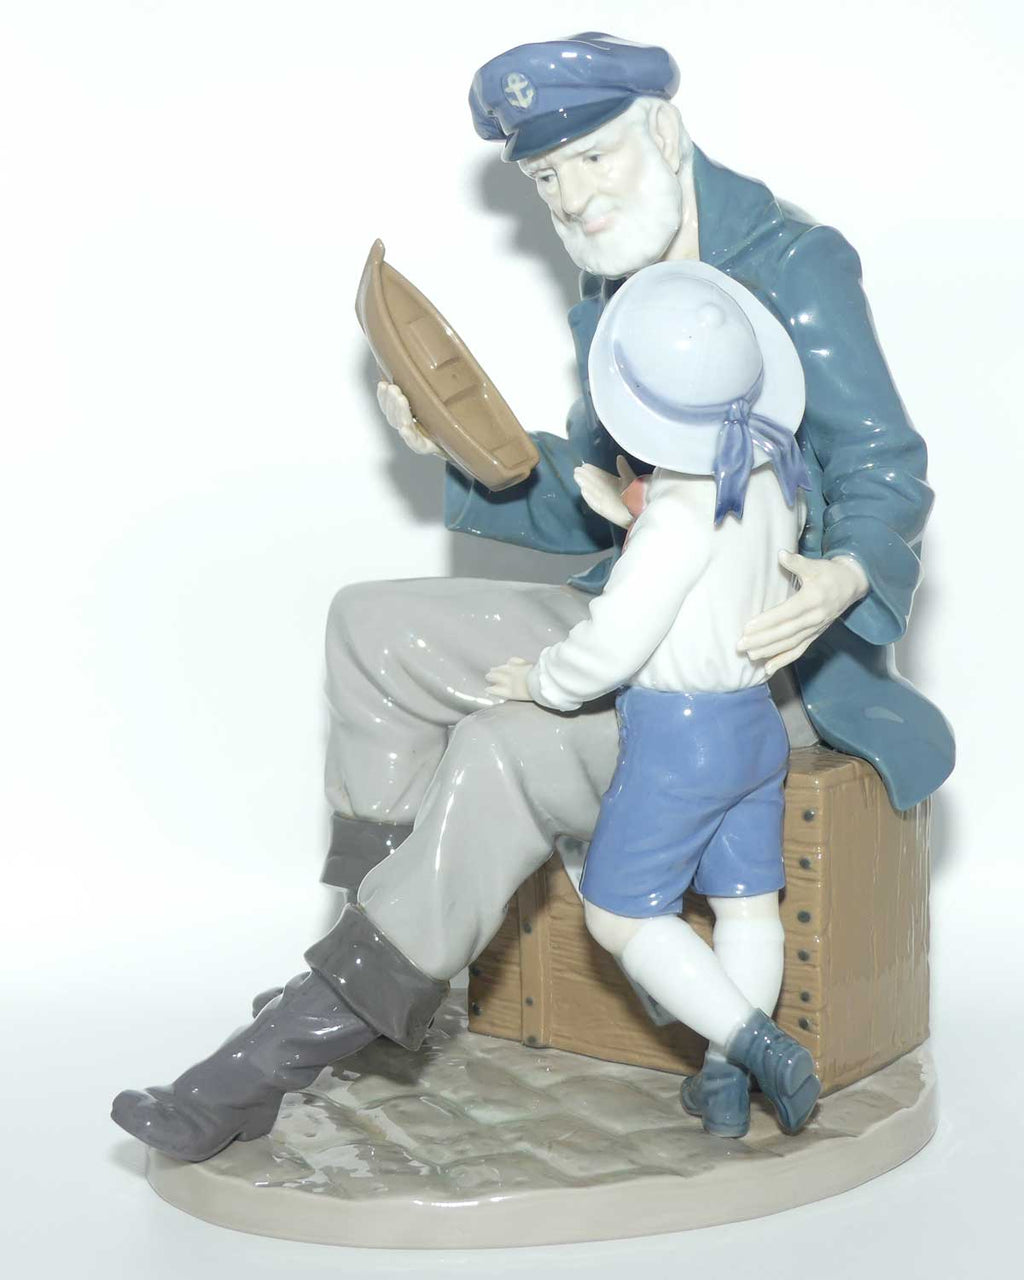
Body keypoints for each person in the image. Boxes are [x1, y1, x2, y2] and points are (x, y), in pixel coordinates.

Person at [111, 34, 951, 1162]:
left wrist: (845, 572)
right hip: (645, 614)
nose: (575, 197)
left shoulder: (791, 264)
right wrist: (461, 448)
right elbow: (609, 499)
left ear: (664, 132)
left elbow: (885, 466)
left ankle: (276, 1057)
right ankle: (377, 957)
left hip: (763, 665)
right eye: (547, 176)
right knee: (373, 626)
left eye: (594, 159)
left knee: (505, 749)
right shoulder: (620, 272)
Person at [487, 257, 820, 1135]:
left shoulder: (678, 511)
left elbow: (615, 641)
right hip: (755, 724)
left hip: (683, 737)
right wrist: (638, 517)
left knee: (618, 915)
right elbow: (727, 575)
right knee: (748, 906)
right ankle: (723, 1088)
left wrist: (542, 681)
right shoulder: (776, 477)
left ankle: (758, 1046)